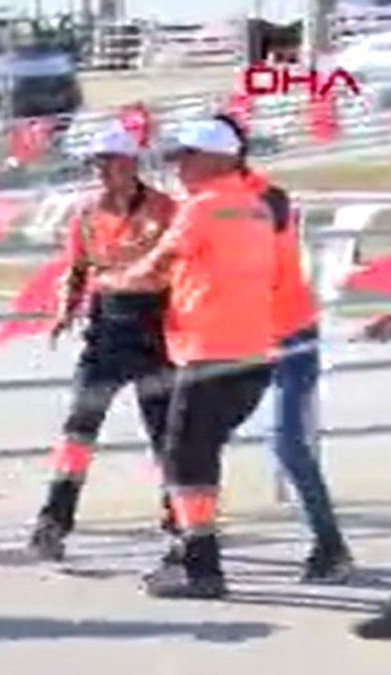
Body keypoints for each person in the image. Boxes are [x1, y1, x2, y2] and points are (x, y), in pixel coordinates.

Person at [99, 117, 279, 599]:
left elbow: (156, 266)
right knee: (200, 453)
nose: (179, 168)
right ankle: (189, 551)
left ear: (218, 160)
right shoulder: (257, 207)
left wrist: (110, 281)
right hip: (254, 354)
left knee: (184, 459)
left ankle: (202, 566)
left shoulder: (201, 209)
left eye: (187, 157)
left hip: (208, 353)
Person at [210, 112, 354, 583]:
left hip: (289, 336)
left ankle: (330, 545)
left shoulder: (267, 198)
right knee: (193, 435)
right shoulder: (207, 201)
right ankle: (192, 536)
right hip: (239, 339)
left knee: (290, 444)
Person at [27, 121, 178, 562]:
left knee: (166, 433)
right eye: (96, 164)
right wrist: (66, 308)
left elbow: (184, 267)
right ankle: (53, 521)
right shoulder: (87, 213)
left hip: (155, 330)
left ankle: (180, 520)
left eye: (108, 162)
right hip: (106, 329)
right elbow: (75, 267)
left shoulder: (165, 209)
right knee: (79, 427)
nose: (100, 171)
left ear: (131, 163)